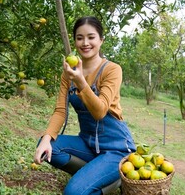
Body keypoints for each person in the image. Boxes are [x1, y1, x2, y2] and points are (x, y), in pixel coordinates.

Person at [33, 16, 136, 194]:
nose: (85, 43)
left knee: (73, 192)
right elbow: (60, 111)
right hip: (88, 143)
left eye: (91, 37)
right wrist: (47, 138)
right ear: (75, 41)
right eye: (80, 38)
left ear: (101, 40)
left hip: (115, 148)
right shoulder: (68, 73)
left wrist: (80, 81)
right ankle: (96, 174)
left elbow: (100, 112)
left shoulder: (112, 70)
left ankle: (113, 178)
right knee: (47, 146)